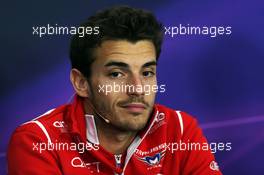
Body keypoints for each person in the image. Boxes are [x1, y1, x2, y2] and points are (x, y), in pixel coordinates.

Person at [7, 6, 222, 175]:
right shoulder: (38, 141)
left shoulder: (180, 129)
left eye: (147, 73)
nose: (137, 89)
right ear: (81, 82)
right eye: (117, 74)